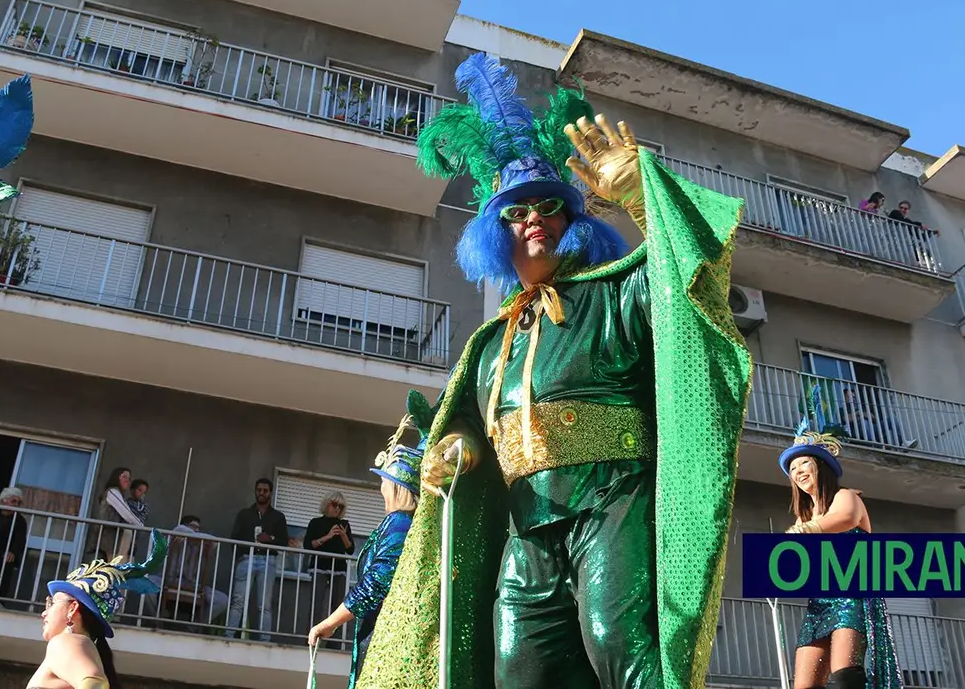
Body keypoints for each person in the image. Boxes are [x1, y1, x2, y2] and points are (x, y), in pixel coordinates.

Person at [357, 54, 753, 689]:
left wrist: (643, 199)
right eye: (516, 212)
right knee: (518, 668)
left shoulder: (615, 293)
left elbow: (687, 285)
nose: (533, 217)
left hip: (611, 501)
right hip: (526, 523)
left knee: (617, 641)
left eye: (547, 205)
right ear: (495, 233)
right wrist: (455, 446)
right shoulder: (489, 344)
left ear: (573, 221)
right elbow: (466, 423)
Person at [779, 408, 902, 689]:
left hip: (850, 593)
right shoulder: (805, 515)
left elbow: (842, 519)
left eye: (803, 464)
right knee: (804, 684)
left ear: (820, 466)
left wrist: (804, 531)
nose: (798, 473)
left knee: (845, 675)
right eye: (793, 469)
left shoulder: (847, 497)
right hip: (820, 600)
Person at [309, 405, 428, 689]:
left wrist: (330, 623)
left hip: (385, 637)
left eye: (384, 481)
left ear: (394, 486)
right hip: (378, 632)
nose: (380, 488)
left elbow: (376, 583)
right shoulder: (394, 524)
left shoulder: (399, 524)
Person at [28, 531, 167, 689]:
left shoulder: (64, 642)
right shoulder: (83, 648)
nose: (44, 612)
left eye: (52, 603)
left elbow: (95, 684)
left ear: (72, 609)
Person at [225, 477, 289, 641]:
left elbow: (284, 541)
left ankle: (264, 640)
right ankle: (229, 635)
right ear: (255, 491)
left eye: (265, 490)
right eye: (259, 490)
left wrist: (270, 539)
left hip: (267, 560)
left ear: (270, 493)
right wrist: (239, 557)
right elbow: (234, 538)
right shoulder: (245, 514)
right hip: (246, 559)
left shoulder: (278, 517)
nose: (261, 493)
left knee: (264, 604)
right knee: (238, 600)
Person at [303, 490, 354, 649]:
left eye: (341, 506)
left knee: (337, 607)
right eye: (334, 505)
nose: (337, 509)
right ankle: (312, 641)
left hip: (338, 569)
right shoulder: (315, 523)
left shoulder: (344, 525)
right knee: (316, 605)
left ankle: (334, 644)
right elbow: (308, 545)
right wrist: (328, 536)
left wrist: (344, 535)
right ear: (327, 504)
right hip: (319, 567)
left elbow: (350, 550)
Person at [86, 467, 142, 562]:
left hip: (113, 537)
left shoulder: (116, 493)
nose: (127, 480)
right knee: (116, 567)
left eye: (129, 478)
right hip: (110, 537)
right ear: (117, 478)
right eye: (124, 477)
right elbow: (126, 513)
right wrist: (141, 526)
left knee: (113, 567)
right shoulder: (113, 492)